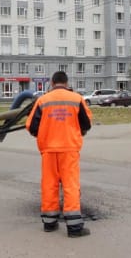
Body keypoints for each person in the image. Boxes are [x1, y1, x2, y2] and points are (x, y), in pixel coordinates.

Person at [25, 71, 92, 238]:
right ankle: (75, 228)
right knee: (70, 186)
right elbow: (87, 124)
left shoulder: (43, 100)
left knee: (49, 185)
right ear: (66, 82)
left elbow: (31, 126)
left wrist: (44, 135)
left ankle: (49, 223)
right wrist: (79, 132)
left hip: (48, 150)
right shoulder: (77, 99)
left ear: (53, 83)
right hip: (69, 149)